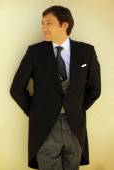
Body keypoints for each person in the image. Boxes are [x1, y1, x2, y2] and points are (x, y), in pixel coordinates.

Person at [10, 5, 101, 170]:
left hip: (75, 125)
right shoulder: (34, 52)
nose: (43, 28)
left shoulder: (86, 51)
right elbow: (16, 89)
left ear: (64, 25)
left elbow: (95, 89)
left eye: (48, 23)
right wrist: (37, 112)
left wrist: (76, 108)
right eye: (42, 23)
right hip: (45, 128)